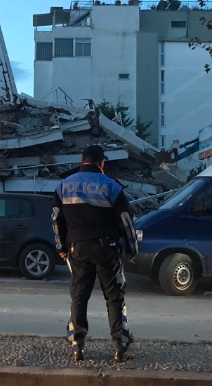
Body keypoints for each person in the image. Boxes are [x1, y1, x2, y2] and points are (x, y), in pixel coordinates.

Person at [52, 145, 137, 363]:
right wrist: (131, 249)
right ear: (102, 163)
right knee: (114, 297)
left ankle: (77, 344)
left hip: (77, 249)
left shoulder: (64, 186)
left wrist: (62, 247)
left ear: (82, 160)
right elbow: (126, 221)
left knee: (79, 297)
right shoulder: (111, 186)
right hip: (106, 249)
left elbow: (56, 220)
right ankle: (120, 346)